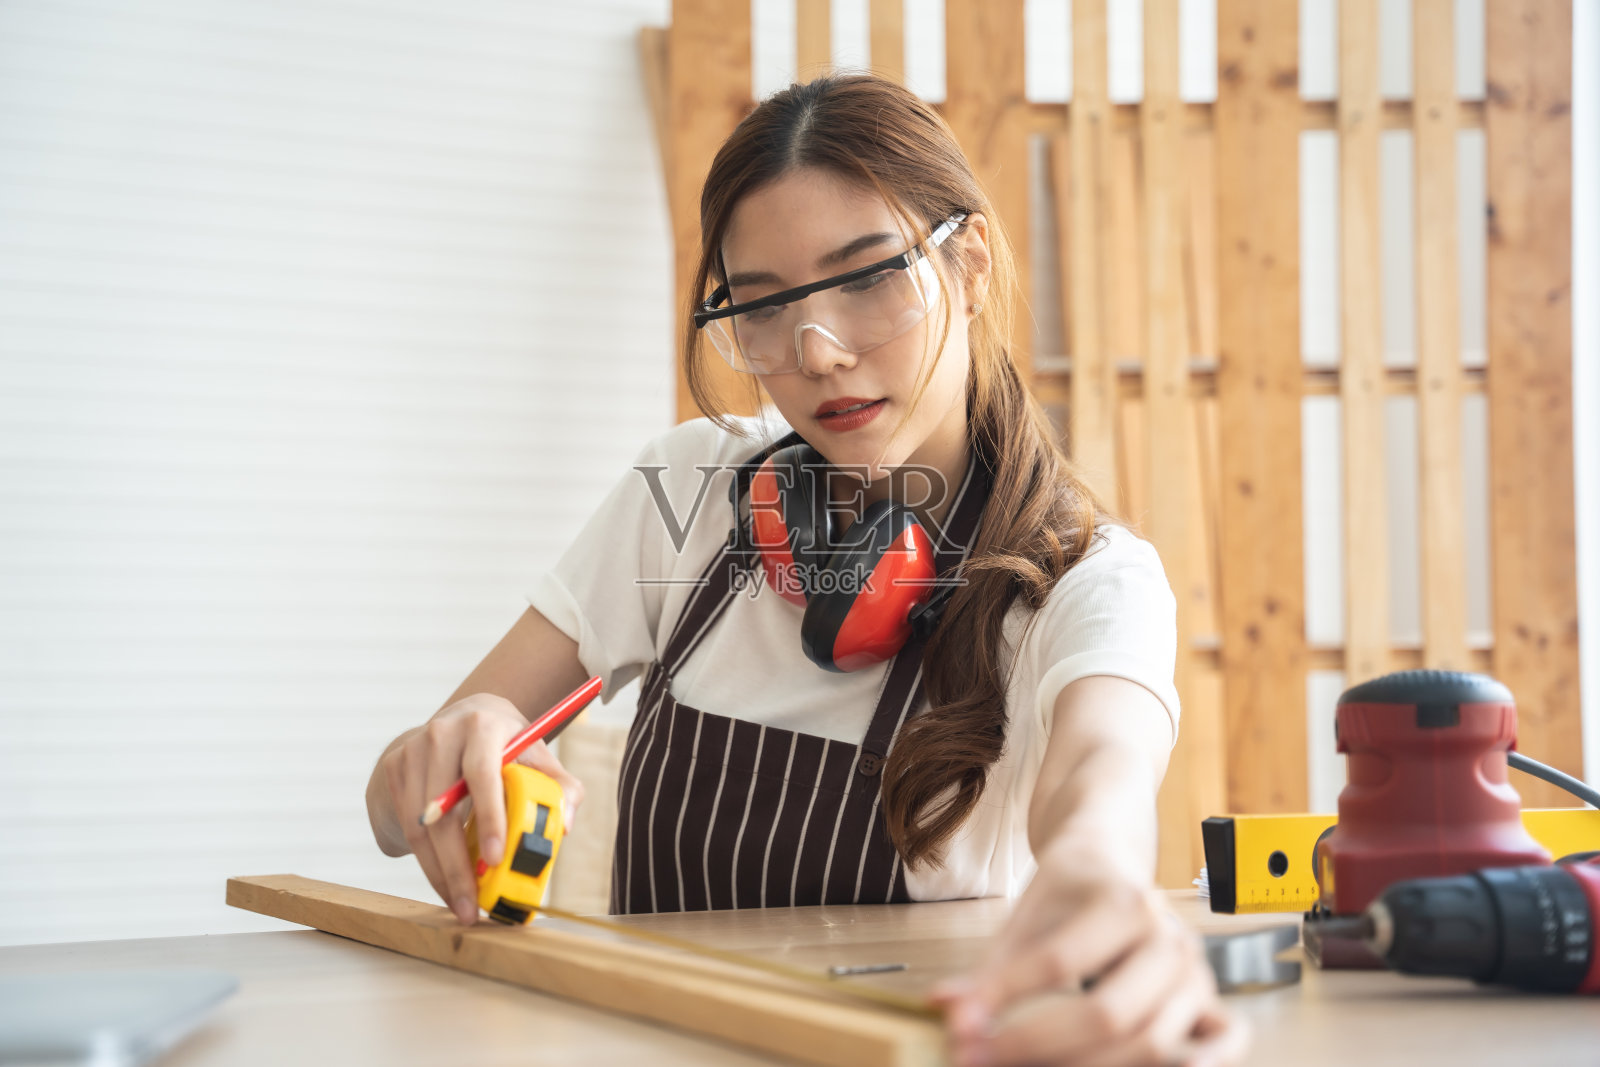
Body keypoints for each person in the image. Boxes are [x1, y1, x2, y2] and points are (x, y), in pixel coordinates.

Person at [365, 72, 1244, 1067]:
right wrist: (433, 759)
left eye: (868, 277)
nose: (816, 351)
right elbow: (400, 805)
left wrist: (1096, 871)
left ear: (969, 265)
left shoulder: (1089, 580)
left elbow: (1100, 782)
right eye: (763, 306)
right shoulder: (687, 492)